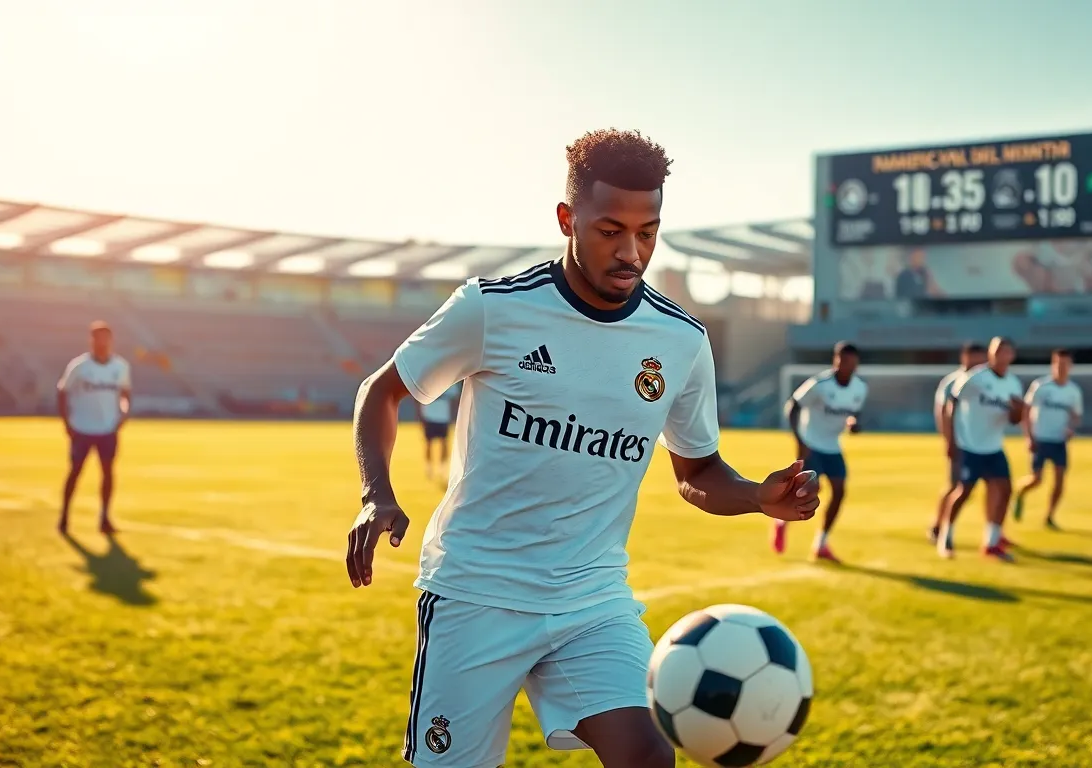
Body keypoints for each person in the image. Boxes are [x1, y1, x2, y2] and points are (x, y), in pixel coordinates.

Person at [344, 129, 822, 768]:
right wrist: (378, 494)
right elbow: (382, 391)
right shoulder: (493, 309)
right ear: (568, 219)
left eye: (648, 232)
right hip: (477, 590)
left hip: (592, 600)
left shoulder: (680, 341)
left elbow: (697, 470)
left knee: (650, 757)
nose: (632, 252)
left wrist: (758, 497)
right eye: (610, 231)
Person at [774, 341, 868, 563]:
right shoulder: (820, 384)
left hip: (832, 445)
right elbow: (793, 406)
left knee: (839, 491)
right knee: (804, 493)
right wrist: (799, 440)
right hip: (811, 442)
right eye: (844, 361)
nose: (848, 367)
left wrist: (854, 424)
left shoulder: (860, 388)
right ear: (836, 361)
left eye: (853, 363)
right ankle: (781, 521)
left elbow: (854, 414)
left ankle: (821, 544)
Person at [937, 336, 1024, 562]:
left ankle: (991, 542)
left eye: (1005, 351)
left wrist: (1018, 410)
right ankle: (946, 536)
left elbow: (1015, 419)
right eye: (996, 351)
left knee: (1005, 490)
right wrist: (950, 439)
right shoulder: (975, 378)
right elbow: (950, 404)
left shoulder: (1013, 384)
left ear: (1011, 356)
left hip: (993, 446)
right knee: (963, 491)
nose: (1000, 356)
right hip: (970, 445)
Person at [57, 321, 131, 535]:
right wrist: (67, 422)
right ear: (92, 340)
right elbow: (63, 391)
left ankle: (105, 517)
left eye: (106, 338)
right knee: (75, 471)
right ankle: (64, 516)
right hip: (82, 427)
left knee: (108, 472)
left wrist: (123, 413)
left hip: (108, 429)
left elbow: (125, 393)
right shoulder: (80, 366)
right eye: (98, 338)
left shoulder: (120, 366)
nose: (103, 342)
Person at [1012, 349, 1084, 529]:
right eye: (1058, 364)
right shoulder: (1041, 386)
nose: (1061, 368)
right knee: (1036, 479)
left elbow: (1076, 416)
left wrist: (1071, 428)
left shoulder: (1073, 391)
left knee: (1060, 481)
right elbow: (1026, 411)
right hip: (1041, 438)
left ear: (1070, 366)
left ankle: (1049, 516)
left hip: (1059, 441)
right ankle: (1020, 492)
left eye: (1065, 364)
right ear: (1053, 364)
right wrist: (1028, 436)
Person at [929, 341, 987, 544]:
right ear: (965, 357)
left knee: (990, 486)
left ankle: (994, 532)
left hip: (979, 443)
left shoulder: (984, 381)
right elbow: (942, 412)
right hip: (960, 443)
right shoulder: (953, 381)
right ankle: (937, 526)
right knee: (955, 485)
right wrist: (948, 440)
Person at [418, 381, 460, 481]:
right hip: (429, 416)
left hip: (443, 416)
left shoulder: (450, 380)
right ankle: (429, 467)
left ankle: (443, 468)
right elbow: (418, 397)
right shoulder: (429, 378)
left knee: (444, 443)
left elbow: (455, 399)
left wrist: (453, 414)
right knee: (428, 443)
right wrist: (421, 414)